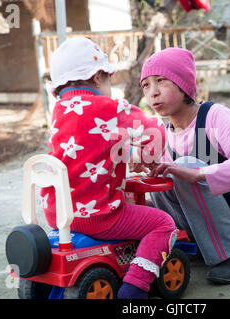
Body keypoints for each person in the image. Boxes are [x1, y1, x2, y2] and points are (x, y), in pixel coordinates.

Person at [40, 37, 177, 299]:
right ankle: (135, 287)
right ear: (98, 76)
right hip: (99, 218)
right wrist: (149, 157)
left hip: (59, 214)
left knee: (126, 200)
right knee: (163, 223)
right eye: (108, 81)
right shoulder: (110, 108)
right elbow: (156, 130)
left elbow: (89, 149)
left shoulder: (59, 109)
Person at [137, 47, 230, 284]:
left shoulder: (214, 116)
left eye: (161, 81)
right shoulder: (163, 133)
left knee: (184, 166)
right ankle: (189, 244)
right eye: (146, 85)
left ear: (184, 84)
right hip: (207, 221)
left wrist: (199, 174)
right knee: (160, 174)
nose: (152, 93)